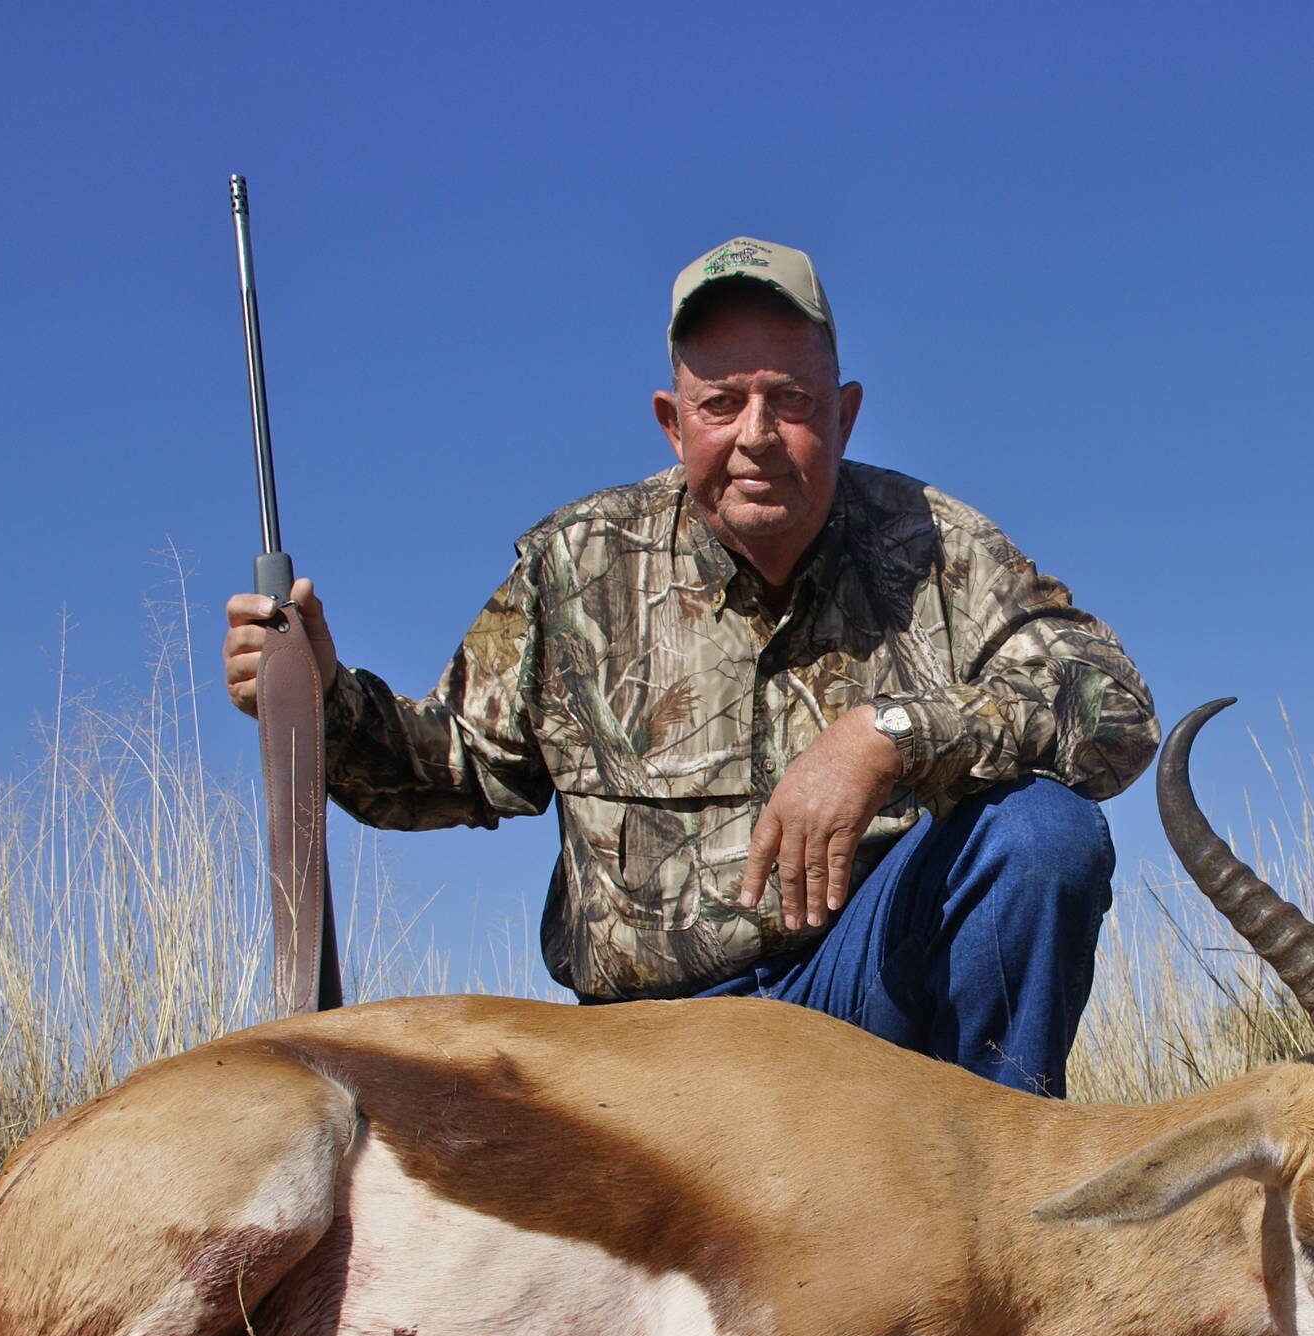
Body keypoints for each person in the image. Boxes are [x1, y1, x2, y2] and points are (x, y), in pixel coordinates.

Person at [222, 237, 1157, 1095]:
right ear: (675, 423)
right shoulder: (576, 565)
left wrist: (890, 736)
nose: (756, 435)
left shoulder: (939, 544)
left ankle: (996, 1189)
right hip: (652, 1055)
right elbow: (452, 767)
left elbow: (1113, 709)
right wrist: (319, 698)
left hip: (867, 1011)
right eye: (722, 404)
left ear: (845, 414)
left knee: (1042, 836)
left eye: (791, 401)